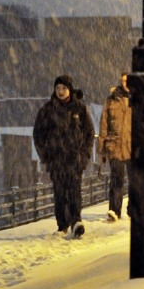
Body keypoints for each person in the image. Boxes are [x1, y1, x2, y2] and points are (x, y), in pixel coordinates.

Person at [33, 75, 94, 238]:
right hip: (56, 160)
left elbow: (89, 133)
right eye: (57, 88)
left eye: (64, 88)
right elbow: (38, 135)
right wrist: (45, 155)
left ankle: (76, 221)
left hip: (75, 159)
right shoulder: (47, 111)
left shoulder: (80, 109)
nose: (60, 91)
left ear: (70, 89)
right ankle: (62, 225)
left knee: (74, 190)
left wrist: (85, 154)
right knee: (60, 193)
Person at [97, 71, 133, 222]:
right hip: (115, 146)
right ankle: (114, 210)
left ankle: (133, 208)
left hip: (132, 146)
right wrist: (101, 149)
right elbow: (104, 124)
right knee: (116, 179)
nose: (125, 83)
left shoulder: (139, 99)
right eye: (123, 81)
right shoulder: (111, 100)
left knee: (135, 180)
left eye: (128, 81)